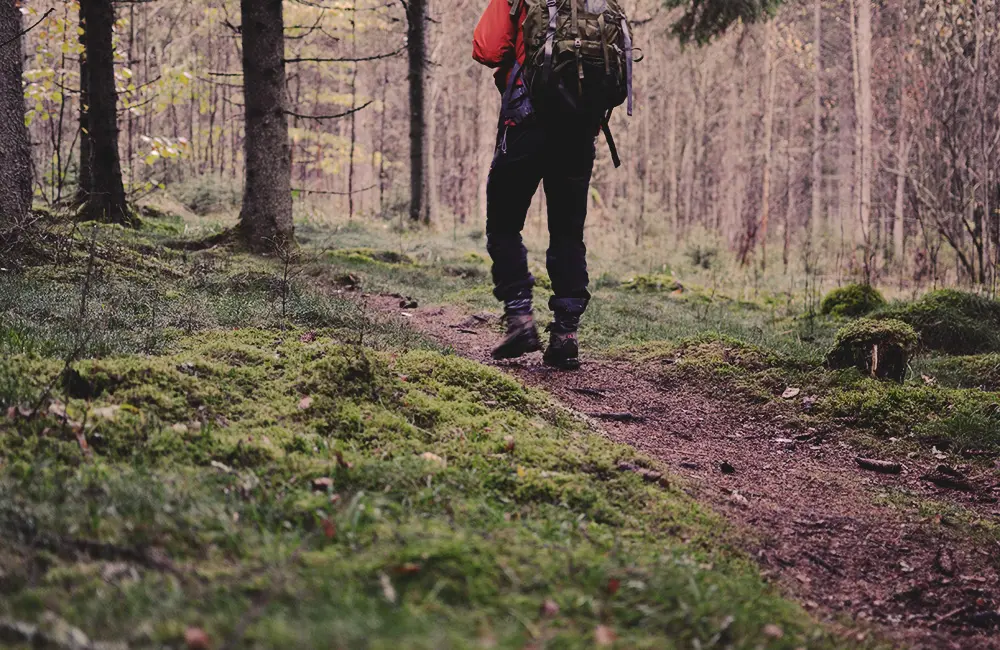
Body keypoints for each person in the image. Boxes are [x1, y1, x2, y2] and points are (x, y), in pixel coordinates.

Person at [472, 0, 603, 371]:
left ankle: (520, 318)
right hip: (579, 132)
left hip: (525, 125)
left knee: (503, 223)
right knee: (567, 232)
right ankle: (566, 334)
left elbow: (486, 47)